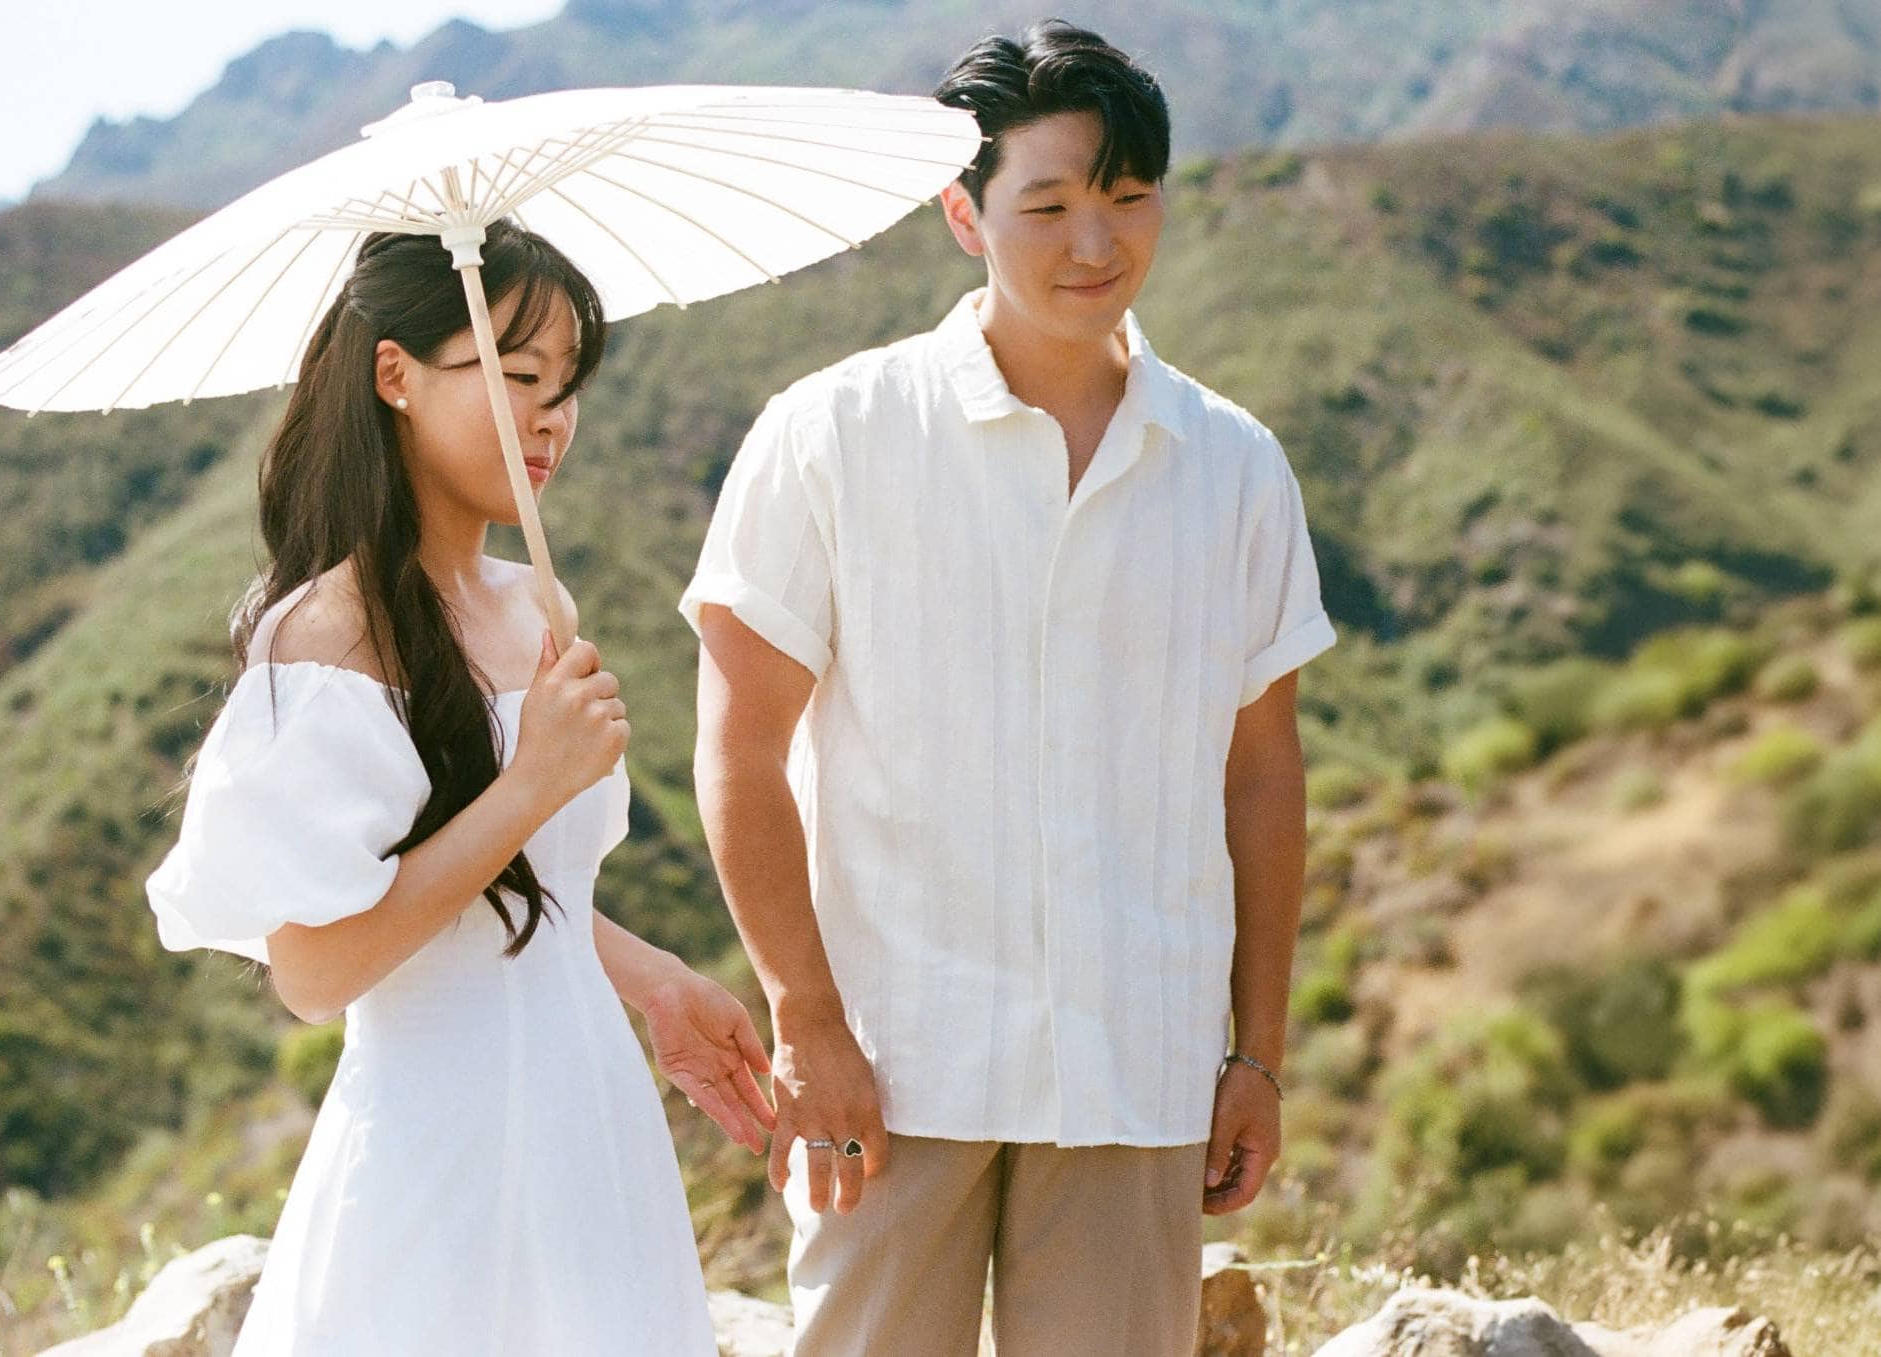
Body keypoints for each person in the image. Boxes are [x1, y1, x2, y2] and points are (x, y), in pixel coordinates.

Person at [680, 20, 1336, 1357]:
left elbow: (1261, 774)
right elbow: (738, 750)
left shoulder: (1230, 466)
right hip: (890, 1066)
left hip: (1132, 1074)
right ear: (961, 215)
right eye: (1045, 206)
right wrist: (806, 1023)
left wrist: (1252, 1053)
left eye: (1125, 199)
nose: (1093, 246)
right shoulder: (833, 435)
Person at [145, 222, 775, 1355]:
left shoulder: (540, 606)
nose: (551, 416)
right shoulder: (327, 635)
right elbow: (314, 970)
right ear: (396, 375)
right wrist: (528, 782)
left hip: (587, 1123)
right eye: (515, 374)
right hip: (440, 1146)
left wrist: (656, 983)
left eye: (566, 383)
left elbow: (516, 894)